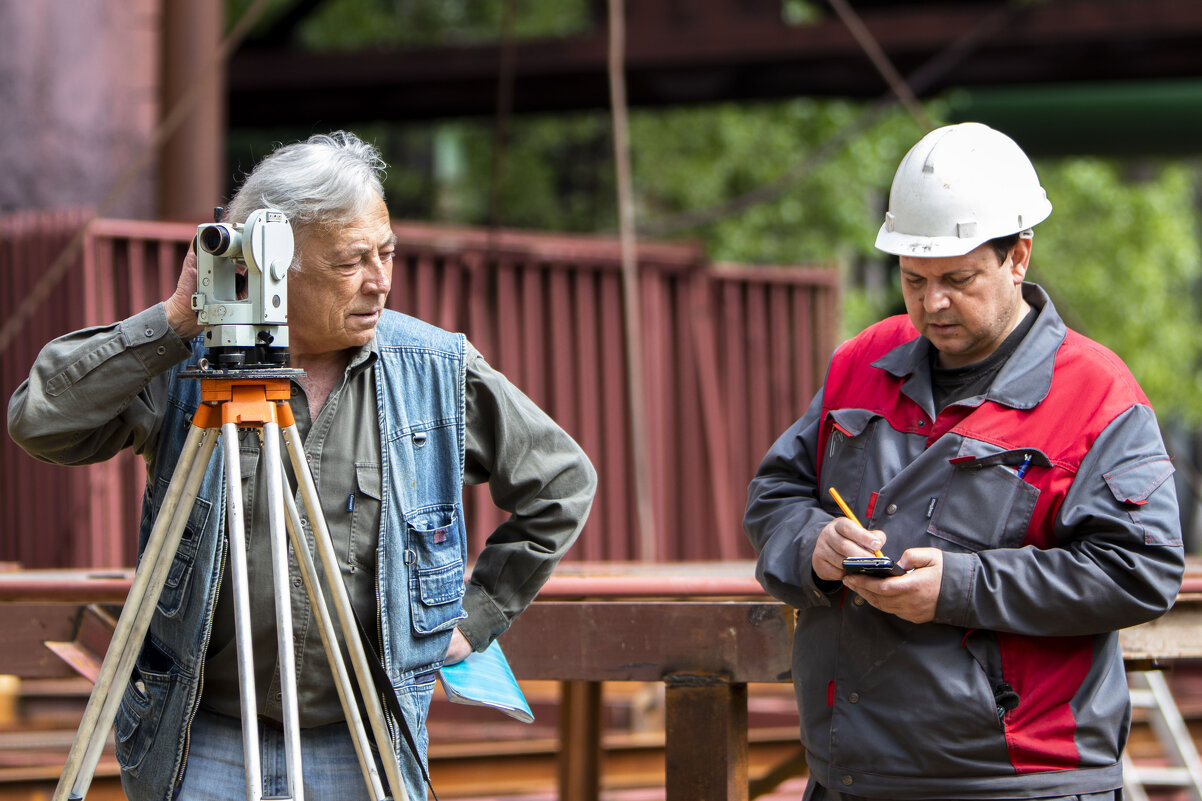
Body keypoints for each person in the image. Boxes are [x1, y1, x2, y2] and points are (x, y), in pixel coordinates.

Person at [8, 131, 597, 801]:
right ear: (277, 268)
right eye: (353, 262)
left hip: (364, 736)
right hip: (206, 742)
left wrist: (476, 616)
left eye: (387, 253)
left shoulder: (430, 371)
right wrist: (174, 323)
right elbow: (39, 421)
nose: (381, 280)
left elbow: (561, 482)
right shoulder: (188, 366)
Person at [743, 122, 1184, 800]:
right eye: (913, 279)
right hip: (853, 776)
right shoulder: (861, 364)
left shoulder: (1096, 395)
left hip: (1021, 781)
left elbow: (1141, 569)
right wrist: (815, 546)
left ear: (1019, 257)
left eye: (958, 278)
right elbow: (777, 493)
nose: (932, 302)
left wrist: (961, 586)